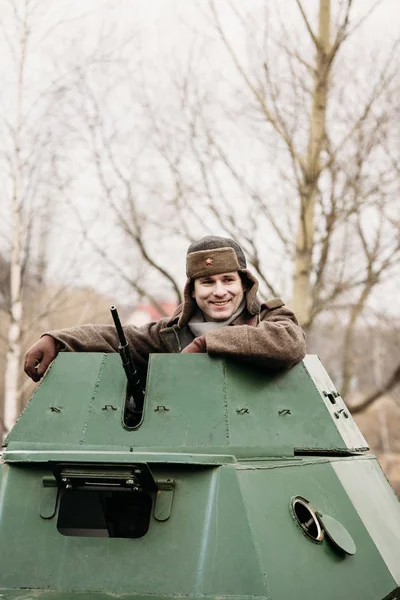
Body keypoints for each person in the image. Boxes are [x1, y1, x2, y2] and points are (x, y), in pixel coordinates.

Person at [24, 236, 306, 382]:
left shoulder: (270, 318)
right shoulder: (172, 335)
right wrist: (57, 339)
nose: (219, 291)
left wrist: (207, 343)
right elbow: (119, 337)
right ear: (192, 292)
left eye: (228, 280)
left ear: (245, 286)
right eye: (207, 282)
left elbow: (289, 344)